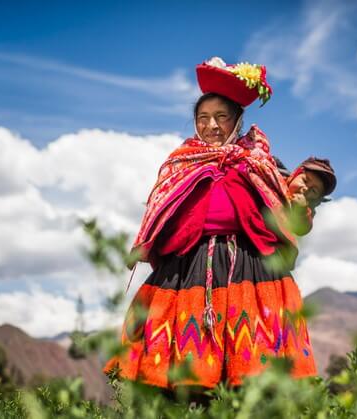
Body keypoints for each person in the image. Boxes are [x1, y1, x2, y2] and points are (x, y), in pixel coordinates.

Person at [104, 57, 317, 390]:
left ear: (237, 120)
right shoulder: (181, 161)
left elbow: (283, 206)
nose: (212, 126)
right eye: (203, 118)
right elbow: (161, 206)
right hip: (187, 267)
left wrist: (301, 209)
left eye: (221, 117)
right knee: (183, 373)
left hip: (250, 266)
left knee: (251, 372)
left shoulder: (259, 161)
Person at [284, 157, 337, 236]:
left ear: (315, 199)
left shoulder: (307, 211)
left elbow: (301, 229)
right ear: (294, 175)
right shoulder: (271, 177)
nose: (306, 188)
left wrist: (301, 210)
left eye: (314, 191)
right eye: (305, 181)